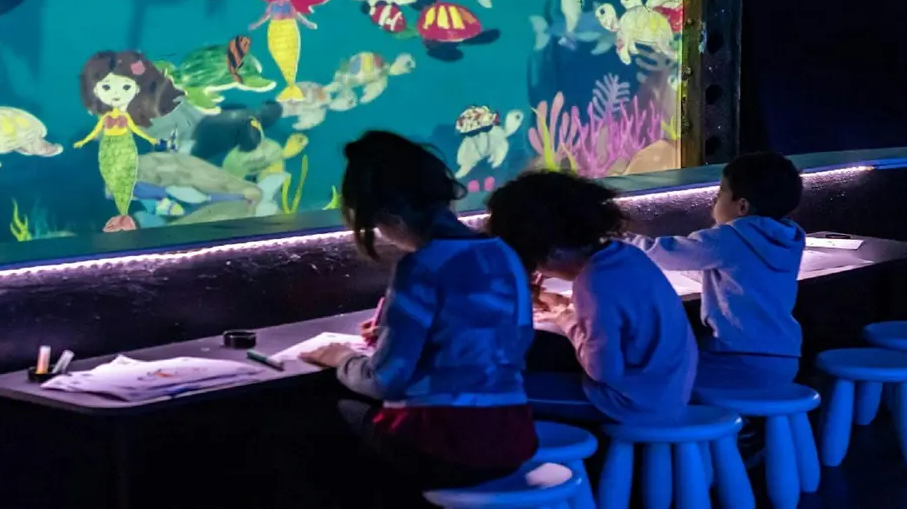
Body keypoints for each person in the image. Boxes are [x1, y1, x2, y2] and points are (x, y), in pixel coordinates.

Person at [298, 131, 539, 508]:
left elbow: (384, 381)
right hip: (513, 437)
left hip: (445, 443)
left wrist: (341, 358)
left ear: (390, 215)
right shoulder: (503, 253)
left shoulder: (421, 267)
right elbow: (511, 340)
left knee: (325, 417)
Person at [486, 171, 698, 424]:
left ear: (539, 250)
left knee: (497, 392)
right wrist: (563, 308)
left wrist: (565, 319)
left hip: (631, 404)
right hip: (668, 393)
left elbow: (602, 371)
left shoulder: (594, 282)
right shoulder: (628, 256)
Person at [624, 151, 805, 389]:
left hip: (740, 361)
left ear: (741, 206)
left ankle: (722, 425)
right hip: (784, 357)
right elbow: (729, 270)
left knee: (659, 382)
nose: (714, 201)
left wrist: (617, 239)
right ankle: (743, 421)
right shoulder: (788, 237)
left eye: (720, 192)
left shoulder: (730, 236)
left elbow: (664, 253)